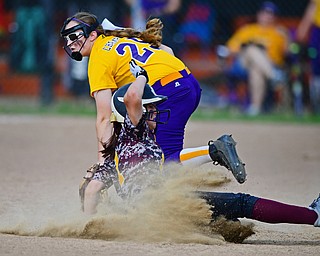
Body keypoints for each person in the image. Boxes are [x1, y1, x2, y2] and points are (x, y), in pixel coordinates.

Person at [81, 61, 320, 232]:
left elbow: (92, 191)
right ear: (131, 114)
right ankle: (314, 216)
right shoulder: (136, 131)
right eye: (150, 108)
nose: (154, 111)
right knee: (242, 202)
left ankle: (215, 227)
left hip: (153, 215)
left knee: (225, 220)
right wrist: (141, 75)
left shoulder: (115, 155)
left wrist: (89, 226)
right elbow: (132, 96)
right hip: (163, 205)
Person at [60, 12, 246, 186]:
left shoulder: (98, 58)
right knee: (166, 157)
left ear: (92, 35)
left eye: (74, 35)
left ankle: (215, 151)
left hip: (170, 92)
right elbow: (168, 51)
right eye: (67, 38)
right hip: (186, 83)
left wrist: (104, 165)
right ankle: (180, 198)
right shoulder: (117, 37)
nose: (70, 42)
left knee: (162, 165)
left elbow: (103, 118)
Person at [225, 1, 289, 116]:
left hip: (270, 64)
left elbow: (288, 53)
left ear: (275, 17)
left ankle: (255, 108)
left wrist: (287, 37)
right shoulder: (248, 30)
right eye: (265, 12)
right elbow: (230, 49)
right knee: (252, 50)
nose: (267, 16)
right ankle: (274, 76)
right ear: (259, 14)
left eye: (271, 14)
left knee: (256, 70)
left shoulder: (279, 32)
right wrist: (247, 47)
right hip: (244, 63)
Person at [296, 0, 320, 114]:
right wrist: (302, 30)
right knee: (316, 71)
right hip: (318, 30)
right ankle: (316, 105)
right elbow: (311, 11)